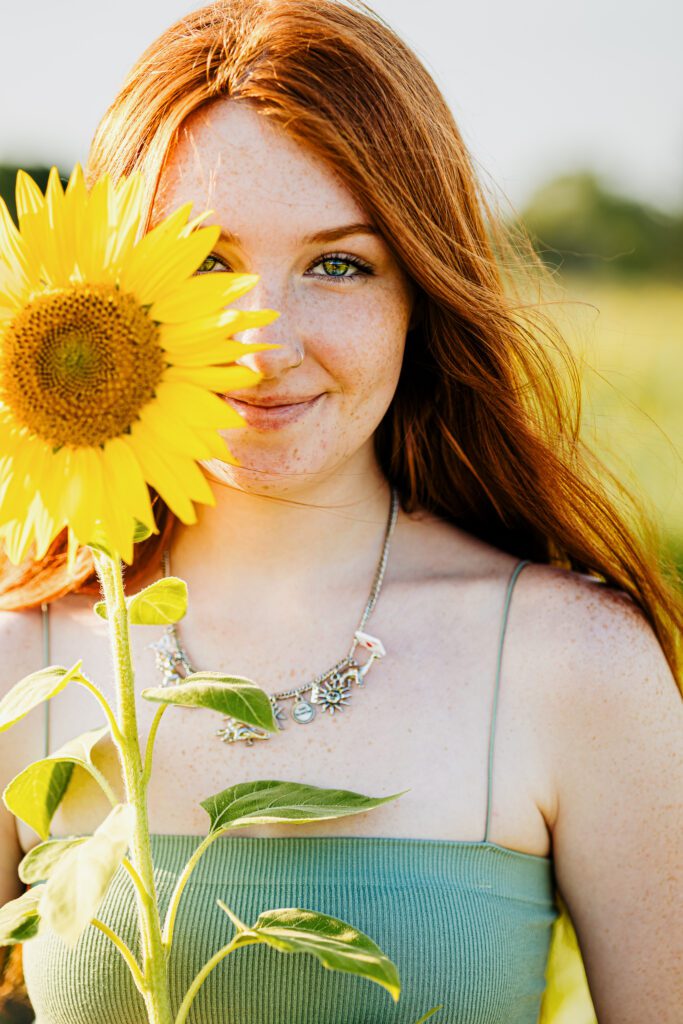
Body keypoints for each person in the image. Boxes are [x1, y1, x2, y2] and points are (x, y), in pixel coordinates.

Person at [1, 1, 681, 1021]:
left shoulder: (568, 663)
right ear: (112, 291)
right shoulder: (25, 665)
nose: (266, 343)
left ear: (420, 289)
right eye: (205, 265)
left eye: (338, 264)